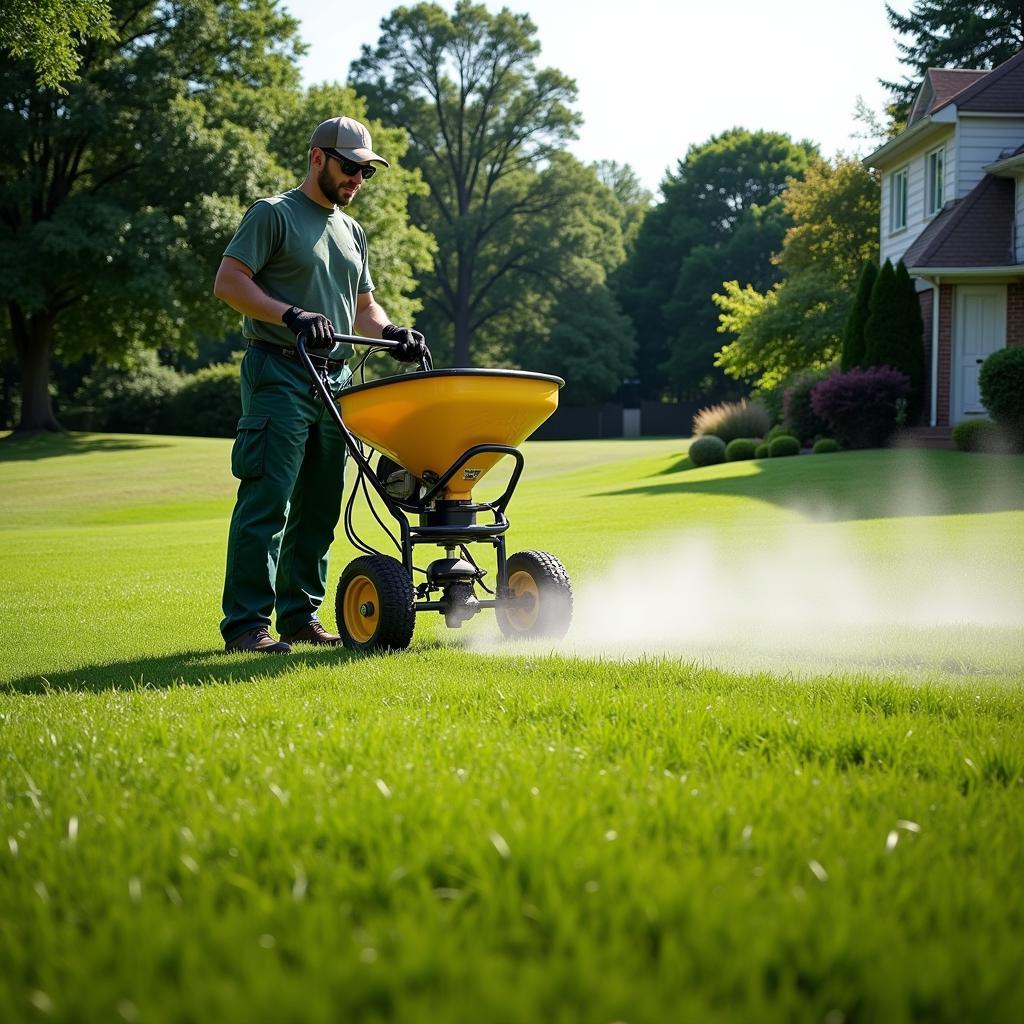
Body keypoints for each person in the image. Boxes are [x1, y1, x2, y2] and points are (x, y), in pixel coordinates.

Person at [213, 116, 427, 654]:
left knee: (321, 508)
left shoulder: (351, 231)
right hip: (279, 370)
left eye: (365, 172)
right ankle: (245, 626)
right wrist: (290, 314)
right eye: (349, 167)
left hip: (333, 381)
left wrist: (393, 331)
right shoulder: (273, 215)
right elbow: (229, 282)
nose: (357, 179)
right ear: (317, 159)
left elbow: (363, 308)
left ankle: (299, 617)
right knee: (269, 500)